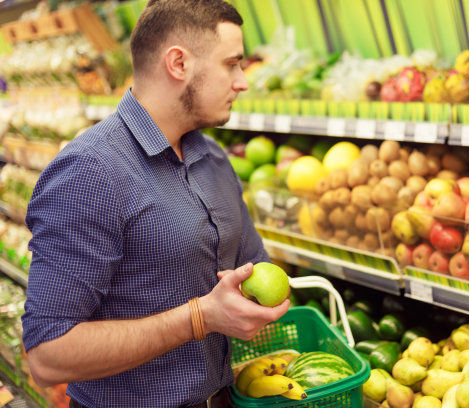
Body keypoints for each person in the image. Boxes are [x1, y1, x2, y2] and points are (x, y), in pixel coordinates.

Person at [21, 0, 290, 406]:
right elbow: (47, 355)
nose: (242, 81)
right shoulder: (89, 173)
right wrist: (199, 318)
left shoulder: (213, 158)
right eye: (231, 64)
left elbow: (253, 266)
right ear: (178, 64)